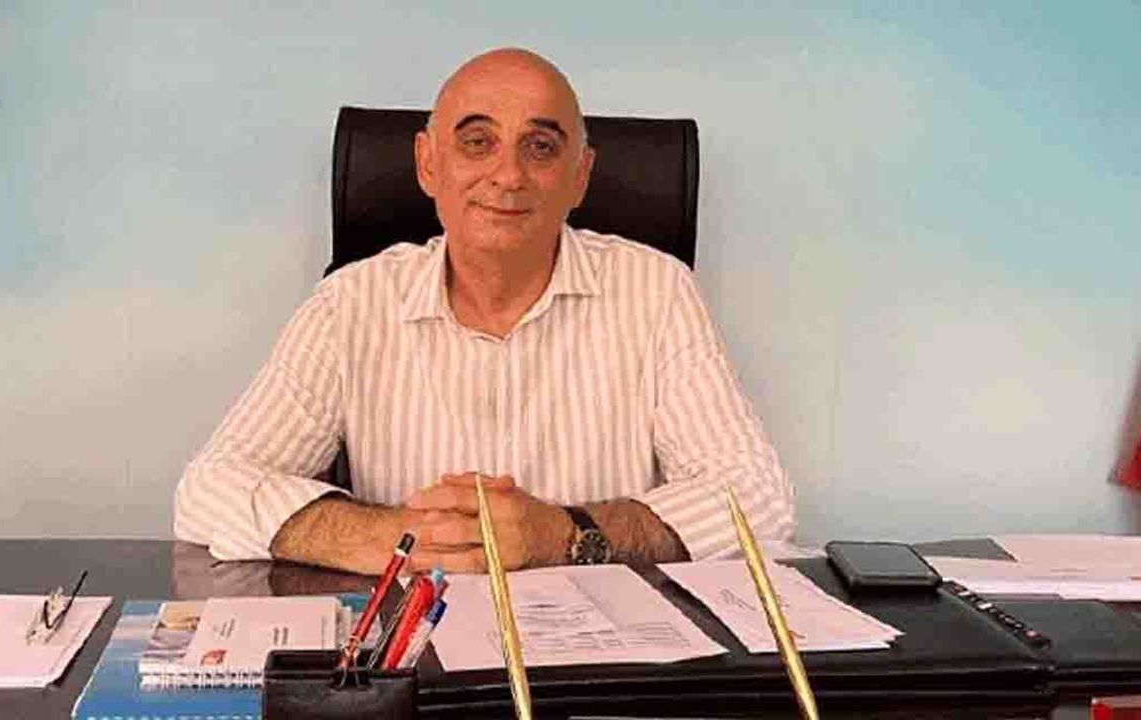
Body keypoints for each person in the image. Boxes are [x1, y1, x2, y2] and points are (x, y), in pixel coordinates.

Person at [173, 48, 795, 575]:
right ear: (428, 163)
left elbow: (758, 497)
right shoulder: (350, 305)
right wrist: (389, 537)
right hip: (417, 647)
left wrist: (566, 534)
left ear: (580, 177)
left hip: (602, 656)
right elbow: (209, 489)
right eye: (478, 142)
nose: (508, 174)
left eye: (541, 147)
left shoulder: (657, 291)